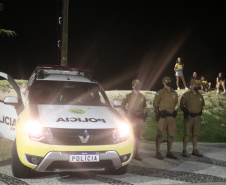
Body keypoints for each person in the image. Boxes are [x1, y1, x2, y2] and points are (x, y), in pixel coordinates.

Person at [121, 79, 147, 161]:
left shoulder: (142, 96)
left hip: (139, 118)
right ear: (132, 86)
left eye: (139, 85)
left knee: (138, 136)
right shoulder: (128, 96)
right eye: (136, 85)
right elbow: (122, 106)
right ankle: (128, 152)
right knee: (129, 136)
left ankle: (137, 154)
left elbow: (144, 106)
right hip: (131, 119)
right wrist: (127, 112)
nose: (138, 86)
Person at [153, 77, 178, 160]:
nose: (170, 82)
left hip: (171, 117)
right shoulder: (160, 92)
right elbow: (155, 104)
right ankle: (158, 152)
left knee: (171, 135)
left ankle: (169, 152)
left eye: (170, 81)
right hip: (163, 117)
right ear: (164, 83)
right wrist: (159, 112)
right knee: (160, 134)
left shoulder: (174, 93)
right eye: (168, 81)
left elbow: (175, 103)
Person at [180, 79, 205, 157]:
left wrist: (200, 111)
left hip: (197, 117)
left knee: (195, 135)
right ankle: (184, 150)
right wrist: (185, 111)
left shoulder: (200, 96)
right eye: (196, 85)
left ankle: (195, 149)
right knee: (187, 134)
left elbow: (202, 106)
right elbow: (181, 106)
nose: (198, 87)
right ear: (192, 85)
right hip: (189, 117)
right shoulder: (186, 95)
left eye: (198, 85)